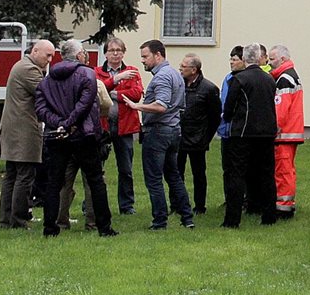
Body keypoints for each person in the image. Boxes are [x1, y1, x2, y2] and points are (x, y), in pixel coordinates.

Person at [34, 39, 117, 237]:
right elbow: (86, 103)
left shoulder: (46, 79)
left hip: (57, 135)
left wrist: (59, 123)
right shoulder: (87, 73)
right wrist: (69, 122)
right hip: (84, 135)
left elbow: (40, 107)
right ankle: (103, 227)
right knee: (95, 180)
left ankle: (50, 227)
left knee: (55, 182)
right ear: (79, 55)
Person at [123, 39, 194, 230]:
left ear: (158, 55)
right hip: (173, 131)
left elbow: (161, 105)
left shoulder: (162, 76)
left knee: (154, 179)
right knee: (173, 175)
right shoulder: (176, 74)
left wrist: (136, 105)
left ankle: (160, 221)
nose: (143, 61)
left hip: (158, 132)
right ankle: (187, 218)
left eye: (145, 57)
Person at [0, 39, 56, 229]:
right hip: (24, 131)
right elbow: (47, 92)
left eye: (52, 56)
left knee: (12, 175)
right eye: (47, 55)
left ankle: (7, 219)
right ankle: (19, 220)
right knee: (25, 176)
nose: (50, 60)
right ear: (35, 51)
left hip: (13, 129)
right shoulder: (29, 70)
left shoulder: (21, 65)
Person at [220, 43, 278, 228]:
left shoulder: (239, 79)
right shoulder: (270, 79)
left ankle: (232, 220)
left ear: (244, 59)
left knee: (237, 175)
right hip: (267, 133)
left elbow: (228, 107)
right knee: (266, 174)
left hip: (243, 133)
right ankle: (269, 216)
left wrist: (229, 119)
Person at [56, 53, 113, 231]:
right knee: (93, 181)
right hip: (87, 136)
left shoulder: (57, 79)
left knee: (64, 181)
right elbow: (107, 105)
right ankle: (92, 221)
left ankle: (61, 220)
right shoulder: (93, 80)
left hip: (65, 135)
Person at [94, 37, 143, 215]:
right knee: (96, 167)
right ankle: (91, 204)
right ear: (105, 53)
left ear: (124, 52)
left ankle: (127, 205)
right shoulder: (97, 72)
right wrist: (116, 80)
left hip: (125, 127)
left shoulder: (132, 71)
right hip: (102, 126)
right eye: (112, 50)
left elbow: (137, 94)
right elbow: (95, 91)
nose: (115, 54)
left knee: (126, 169)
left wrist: (115, 94)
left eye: (119, 50)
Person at [177, 53, 221, 215]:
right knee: (176, 172)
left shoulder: (209, 89)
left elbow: (215, 116)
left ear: (194, 70)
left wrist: (205, 137)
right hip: (179, 136)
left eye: (184, 66)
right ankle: (178, 205)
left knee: (199, 174)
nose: (180, 69)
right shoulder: (179, 85)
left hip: (198, 138)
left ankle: (200, 206)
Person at [267, 45, 304, 218]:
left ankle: (283, 207)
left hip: (284, 134)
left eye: (272, 59)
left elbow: (280, 109)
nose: (269, 62)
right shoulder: (290, 75)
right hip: (291, 132)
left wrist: (273, 130)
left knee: (283, 171)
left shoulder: (284, 78)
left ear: (282, 59)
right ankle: (286, 204)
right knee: (287, 170)